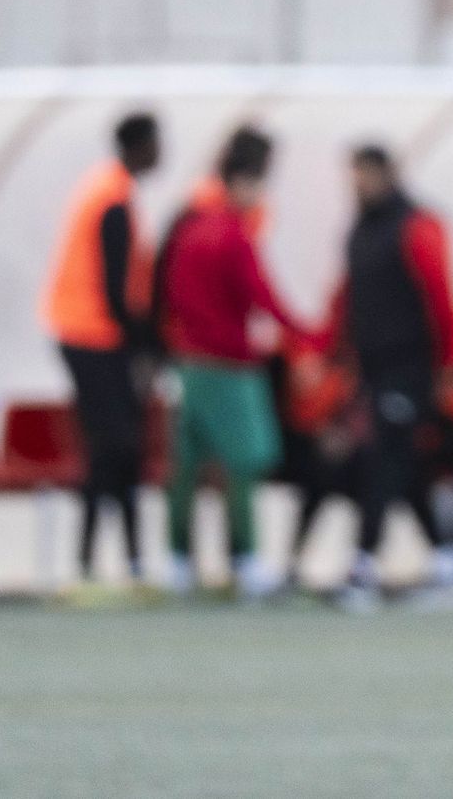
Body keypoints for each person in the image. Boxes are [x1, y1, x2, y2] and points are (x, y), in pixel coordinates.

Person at [159, 128, 315, 600]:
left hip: (188, 361)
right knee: (245, 462)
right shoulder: (231, 233)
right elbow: (261, 295)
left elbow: (169, 295)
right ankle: (245, 559)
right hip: (229, 365)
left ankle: (178, 561)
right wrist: (307, 338)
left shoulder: (187, 225)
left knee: (186, 464)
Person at [337, 144, 453, 609]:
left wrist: (448, 365)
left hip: (409, 368)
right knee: (406, 465)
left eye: (364, 176)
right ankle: (450, 565)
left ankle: (362, 566)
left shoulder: (416, 226)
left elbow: (441, 297)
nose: (358, 186)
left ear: (386, 174)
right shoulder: (360, 230)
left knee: (384, 461)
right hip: (374, 372)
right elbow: (347, 299)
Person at [43, 113, 160, 584]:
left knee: (118, 448)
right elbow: (116, 287)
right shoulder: (112, 199)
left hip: (94, 335)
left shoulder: (110, 191)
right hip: (91, 336)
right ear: (139, 146)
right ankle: (92, 561)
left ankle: (116, 560)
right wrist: (143, 344)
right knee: (114, 445)